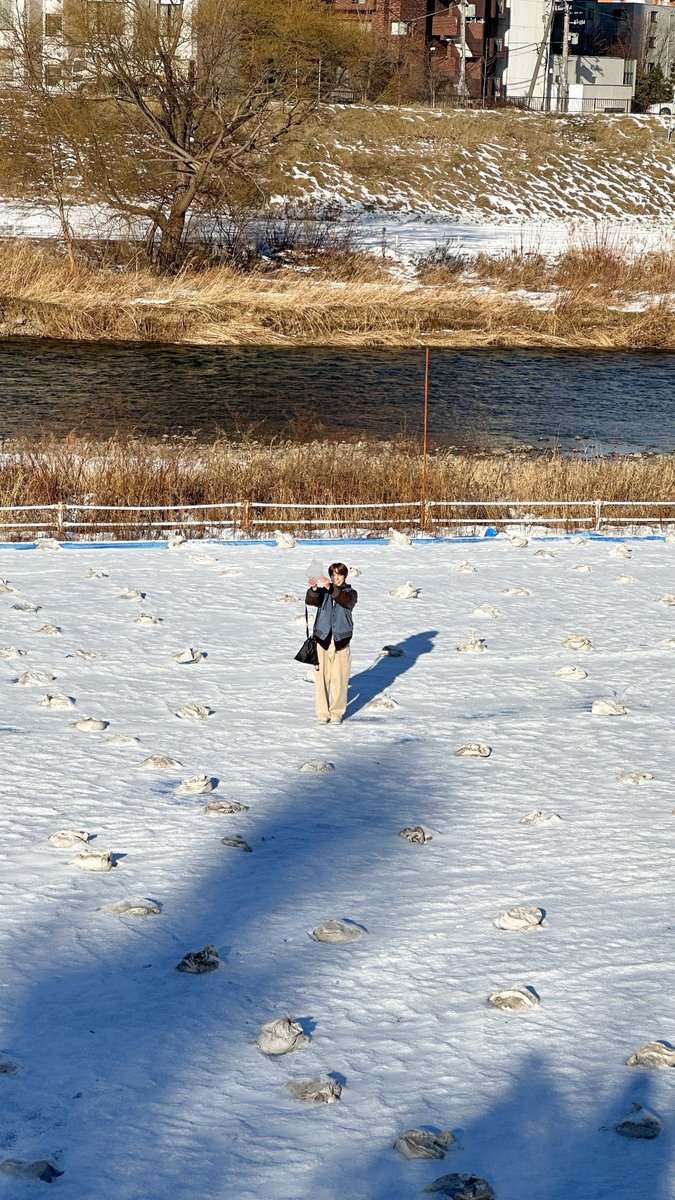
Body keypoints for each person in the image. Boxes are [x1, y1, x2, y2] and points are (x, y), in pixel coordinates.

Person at [306, 563, 357, 724]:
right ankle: (322, 713)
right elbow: (311, 600)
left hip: (341, 642)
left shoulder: (351, 593)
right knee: (321, 679)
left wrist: (330, 588)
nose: (336, 578)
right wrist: (314, 589)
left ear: (345, 576)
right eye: (333, 575)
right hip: (322, 641)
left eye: (339, 575)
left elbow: (345, 601)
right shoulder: (324, 592)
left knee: (340, 680)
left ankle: (336, 713)